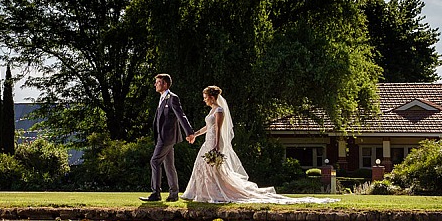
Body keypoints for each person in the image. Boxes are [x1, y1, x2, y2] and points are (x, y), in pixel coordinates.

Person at [182, 86, 338, 203]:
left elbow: (218, 130)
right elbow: (208, 128)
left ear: (211, 96)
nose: (204, 99)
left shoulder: (220, 111)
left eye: (205, 97)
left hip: (214, 142)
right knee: (203, 167)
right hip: (208, 141)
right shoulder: (212, 111)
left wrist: (216, 147)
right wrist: (195, 134)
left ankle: (216, 193)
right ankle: (203, 193)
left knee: (213, 168)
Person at [140, 74, 195, 202]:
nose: (155, 84)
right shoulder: (161, 99)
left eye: (158, 82)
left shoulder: (172, 98)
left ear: (165, 84)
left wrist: (189, 132)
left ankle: (156, 193)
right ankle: (173, 194)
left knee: (154, 161)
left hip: (167, 138)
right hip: (162, 137)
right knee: (169, 165)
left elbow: (181, 116)